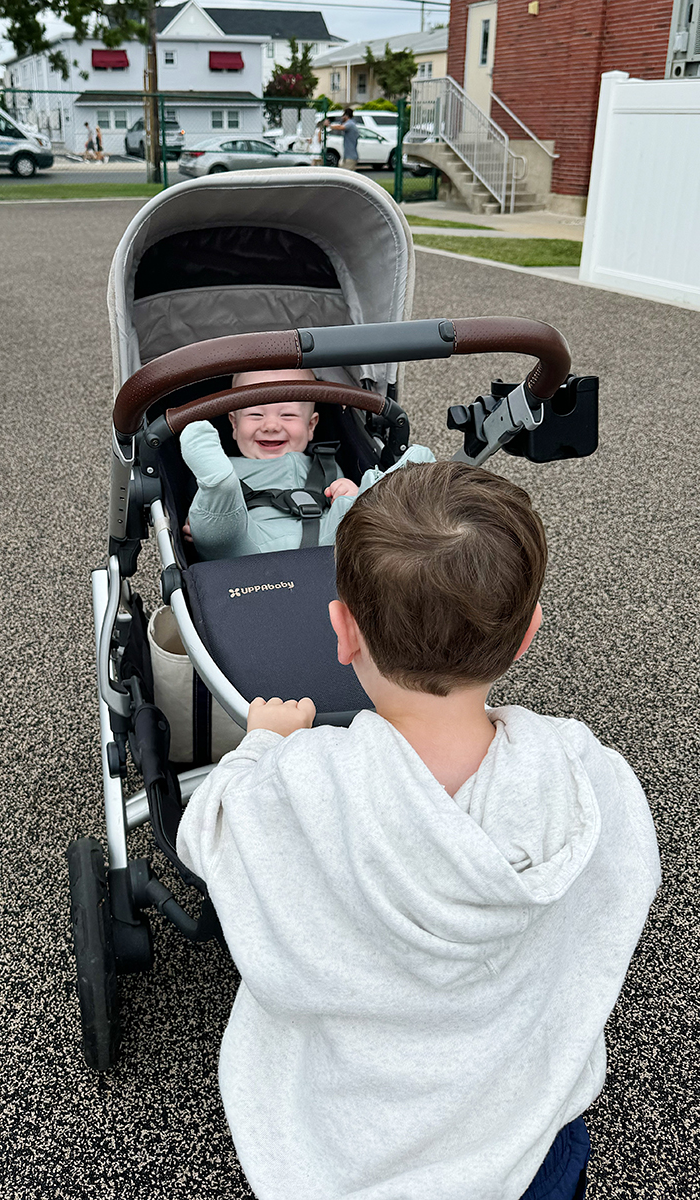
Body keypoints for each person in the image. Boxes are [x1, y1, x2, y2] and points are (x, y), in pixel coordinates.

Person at [177, 460, 661, 1200]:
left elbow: (208, 835)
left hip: (348, 1151)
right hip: (527, 1143)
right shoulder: (585, 775)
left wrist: (263, 747)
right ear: (526, 634)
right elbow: (621, 882)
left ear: (341, 630)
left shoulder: (297, 788)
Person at [179, 367, 433, 560]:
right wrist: (204, 519)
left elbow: (341, 509)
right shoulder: (231, 464)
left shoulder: (325, 462)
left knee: (363, 510)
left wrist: (347, 492)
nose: (270, 426)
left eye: (287, 415)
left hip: (332, 540)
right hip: (250, 541)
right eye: (255, 415)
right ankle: (217, 487)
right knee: (221, 522)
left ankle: (400, 480)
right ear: (233, 424)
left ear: (311, 425)